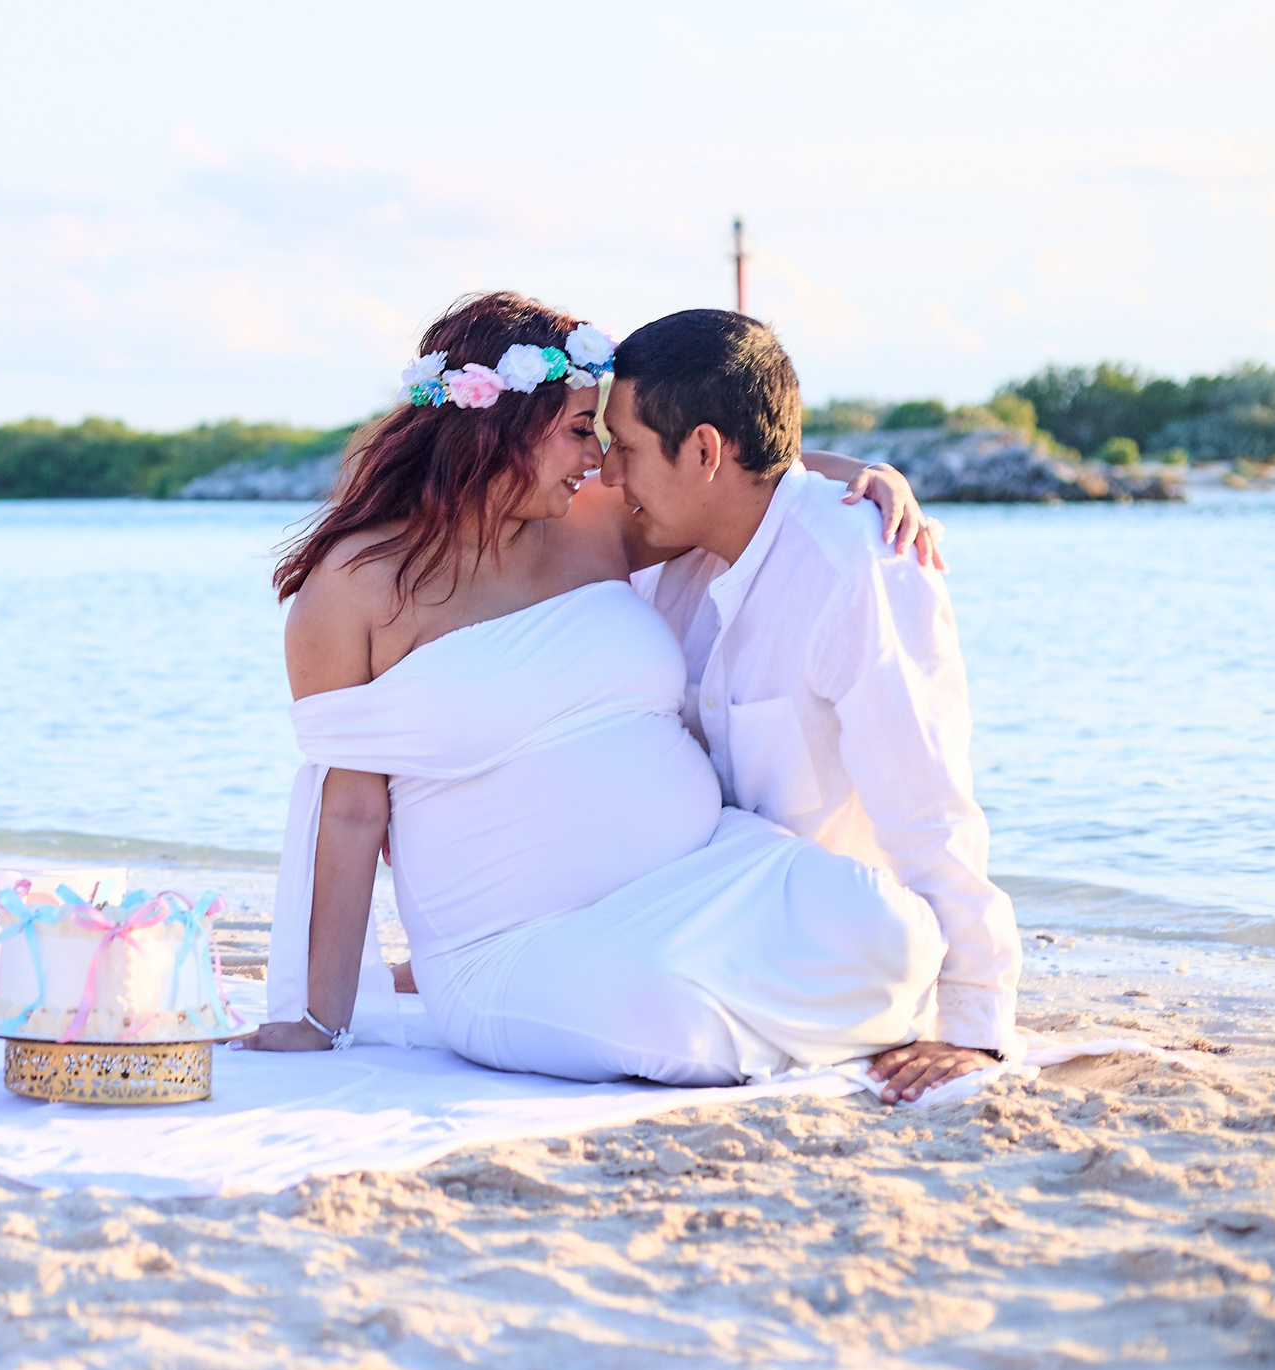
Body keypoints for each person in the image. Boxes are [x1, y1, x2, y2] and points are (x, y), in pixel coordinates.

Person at [250, 291, 953, 1090]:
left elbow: (729, 479)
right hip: (515, 944)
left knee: (896, 934)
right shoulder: (355, 589)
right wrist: (318, 1019)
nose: (598, 460)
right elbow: (347, 809)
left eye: (607, 435)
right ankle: (784, 1021)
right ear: (499, 423)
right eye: (582, 431)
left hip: (709, 872)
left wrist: (859, 474)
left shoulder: (596, 523)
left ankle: (777, 1016)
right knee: (660, 1013)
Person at [600, 309, 1018, 1102]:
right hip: (709, 927)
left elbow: (931, 807)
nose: (611, 477)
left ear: (703, 450)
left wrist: (972, 1028)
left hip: (831, 954)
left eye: (623, 450)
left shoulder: (860, 567)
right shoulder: (670, 564)